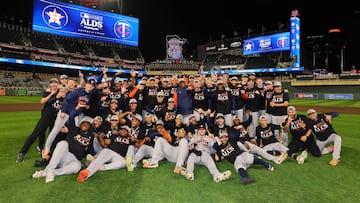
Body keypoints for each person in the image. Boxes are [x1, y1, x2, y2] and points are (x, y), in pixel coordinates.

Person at [32, 117, 95, 183]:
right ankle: (49, 169)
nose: (85, 125)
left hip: (73, 159)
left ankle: (48, 172)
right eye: (83, 123)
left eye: (87, 124)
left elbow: (90, 148)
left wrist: (92, 157)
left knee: (77, 166)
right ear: (80, 124)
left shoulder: (91, 136)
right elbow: (63, 127)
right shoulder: (74, 129)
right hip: (63, 155)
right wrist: (49, 153)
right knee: (63, 143)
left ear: (90, 126)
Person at [16, 78, 65, 163]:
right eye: (52, 83)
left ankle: (48, 155)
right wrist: (51, 94)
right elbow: (42, 101)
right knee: (35, 134)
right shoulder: (48, 92)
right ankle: (22, 153)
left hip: (55, 120)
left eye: (55, 83)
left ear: (58, 84)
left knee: (52, 138)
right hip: (46, 118)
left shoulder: (63, 94)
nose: (53, 84)